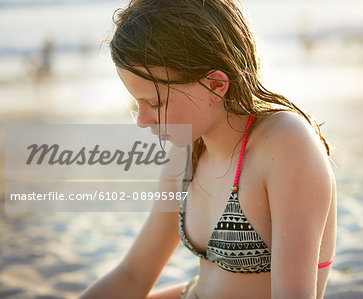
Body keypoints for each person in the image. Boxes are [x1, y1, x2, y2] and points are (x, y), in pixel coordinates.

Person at [80, 0, 337, 298]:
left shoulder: (286, 146)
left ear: (216, 85)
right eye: (136, 103)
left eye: (155, 103)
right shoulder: (187, 153)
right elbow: (134, 274)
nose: (142, 120)